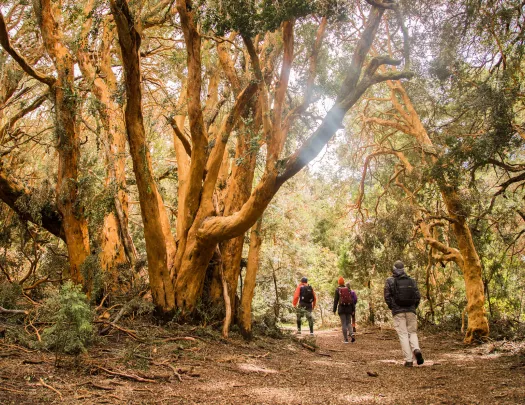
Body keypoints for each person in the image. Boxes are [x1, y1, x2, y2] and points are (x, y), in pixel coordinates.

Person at [384, 260, 424, 367]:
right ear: (403, 269)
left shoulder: (390, 281)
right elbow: (417, 296)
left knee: (403, 334)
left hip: (398, 312)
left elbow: (387, 297)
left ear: (394, 269)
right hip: (411, 310)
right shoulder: (411, 280)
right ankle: (416, 349)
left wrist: (393, 307)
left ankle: (409, 360)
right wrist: (413, 307)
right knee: (412, 332)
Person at [333, 277, 356, 343]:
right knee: (349, 322)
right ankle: (351, 333)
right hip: (349, 308)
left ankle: (346, 340)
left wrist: (334, 310)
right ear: (343, 282)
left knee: (343, 323)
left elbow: (336, 301)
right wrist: (353, 309)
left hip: (341, 309)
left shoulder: (337, 290)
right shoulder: (348, 289)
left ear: (338, 282)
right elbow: (351, 301)